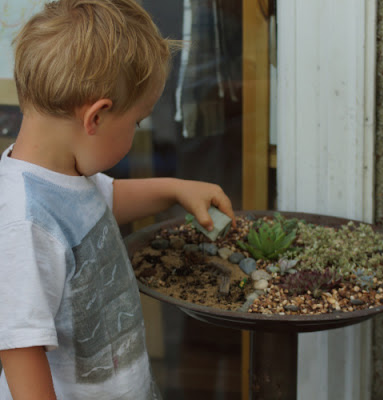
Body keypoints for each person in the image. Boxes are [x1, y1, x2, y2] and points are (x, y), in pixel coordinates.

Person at [0, 0, 236, 398]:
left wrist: (176, 189)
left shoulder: (68, 174)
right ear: (96, 117)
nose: (139, 130)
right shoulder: (25, 222)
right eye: (137, 121)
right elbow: (20, 349)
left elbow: (104, 203)